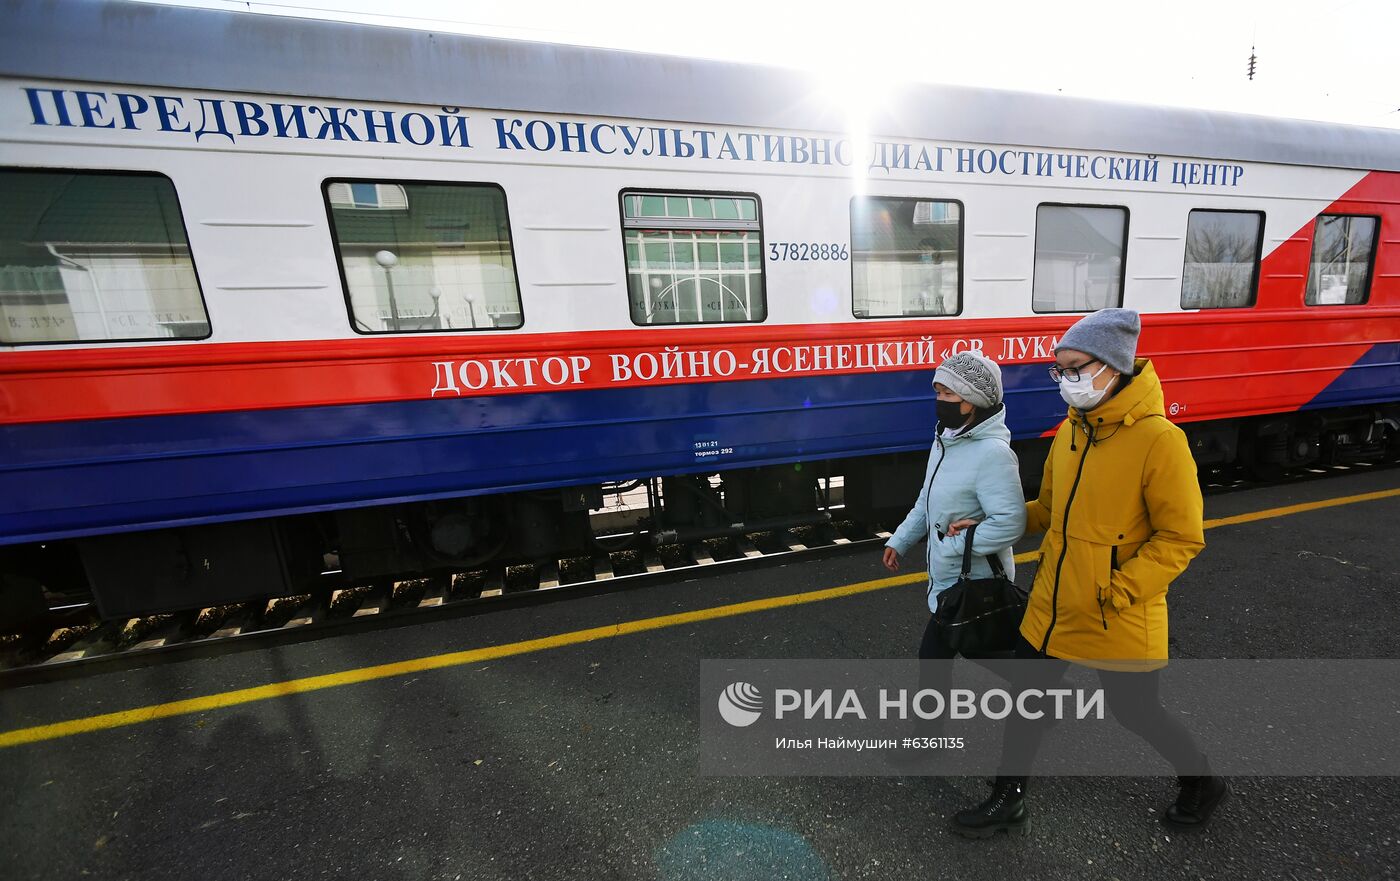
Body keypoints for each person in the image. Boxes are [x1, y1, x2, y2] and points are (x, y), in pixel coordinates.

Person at [950, 307, 1229, 839]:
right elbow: (1050, 511)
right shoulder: (1072, 433)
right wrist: (992, 519)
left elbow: (1181, 537)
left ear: (1112, 367)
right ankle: (1007, 799)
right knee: (1027, 701)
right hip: (1054, 601)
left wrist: (1119, 589)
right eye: (1060, 370)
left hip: (1114, 608)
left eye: (1074, 368)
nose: (1065, 381)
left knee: (1136, 712)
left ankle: (1202, 781)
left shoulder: (1159, 440)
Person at [882, 350, 1027, 743]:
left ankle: (1038, 696)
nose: (938, 401)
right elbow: (927, 499)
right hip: (950, 584)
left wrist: (955, 543)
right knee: (936, 661)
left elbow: (1011, 522)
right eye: (938, 392)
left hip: (973, 588)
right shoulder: (946, 441)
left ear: (972, 400)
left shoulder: (993, 454)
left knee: (958, 658)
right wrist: (901, 539)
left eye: (947, 393)